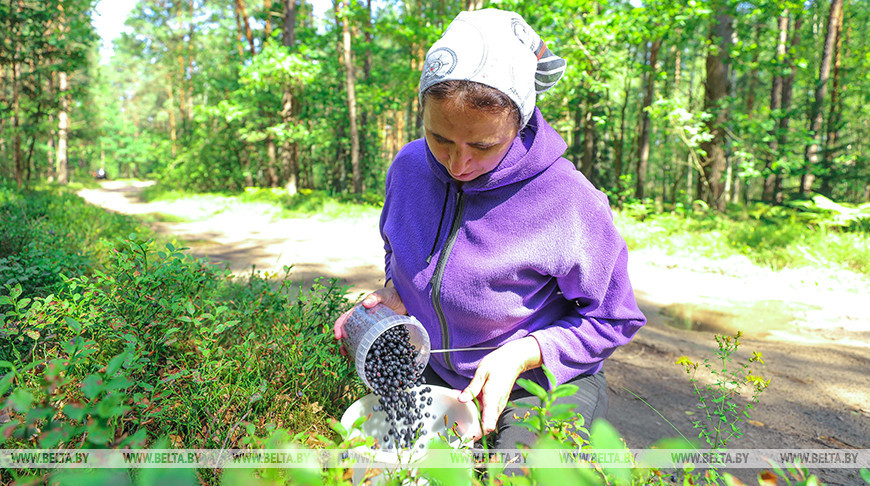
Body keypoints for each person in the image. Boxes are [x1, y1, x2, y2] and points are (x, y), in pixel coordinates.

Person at [334, 8, 645, 450]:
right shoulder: (406, 168)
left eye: (483, 146)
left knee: (519, 474)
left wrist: (523, 354)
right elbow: (398, 248)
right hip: (437, 370)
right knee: (389, 456)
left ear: (518, 123)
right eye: (439, 139)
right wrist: (394, 288)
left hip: (540, 384)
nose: (459, 165)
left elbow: (614, 317)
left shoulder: (567, 199)